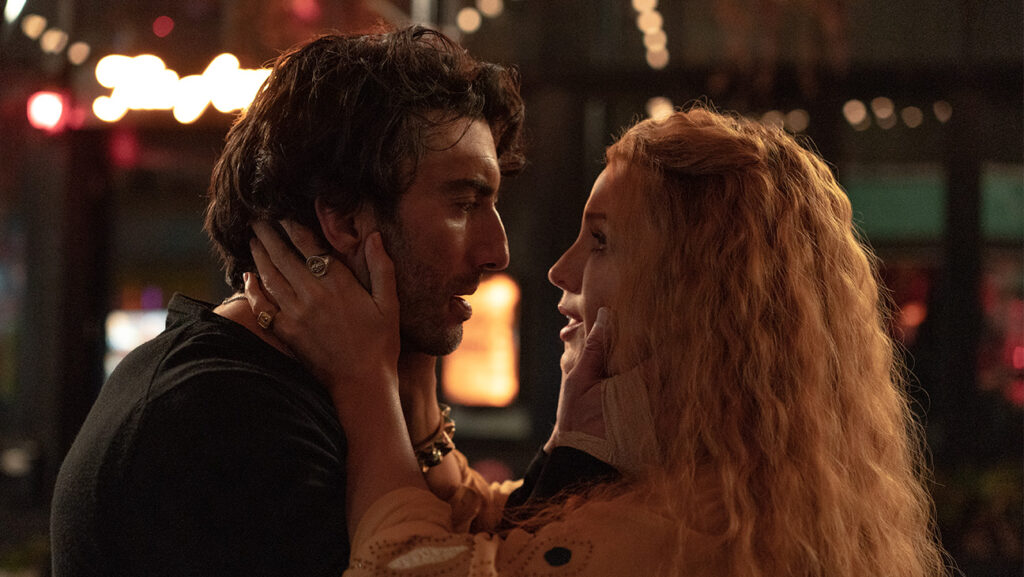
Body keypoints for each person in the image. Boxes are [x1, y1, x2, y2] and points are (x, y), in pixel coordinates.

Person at [246, 106, 950, 576]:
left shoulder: (681, 532)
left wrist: (363, 380)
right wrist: (419, 387)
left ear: (694, 292)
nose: (561, 269)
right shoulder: (735, 480)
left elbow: (411, 564)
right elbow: (499, 534)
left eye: (602, 241)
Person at [50, 26, 524, 576]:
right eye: (464, 204)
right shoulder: (224, 422)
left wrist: (408, 388)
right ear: (344, 220)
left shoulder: (290, 390)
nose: (497, 252)